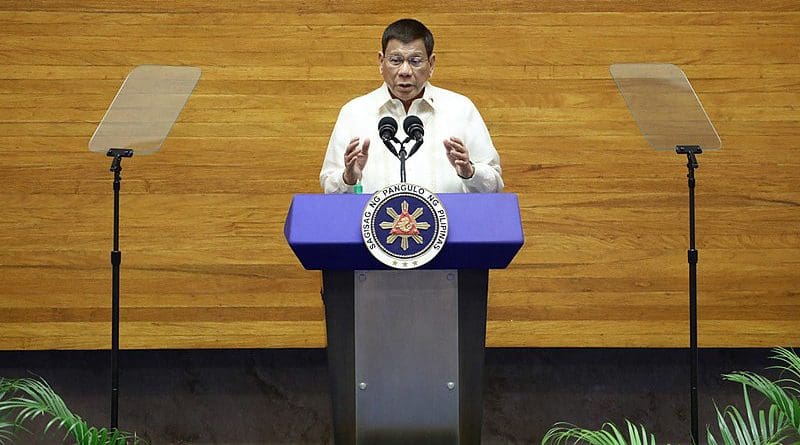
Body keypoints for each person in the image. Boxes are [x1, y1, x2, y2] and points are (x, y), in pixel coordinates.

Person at [319, 18, 503, 194]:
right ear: (381, 62)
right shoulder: (354, 113)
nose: (405, 71)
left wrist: (469, 172)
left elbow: (494, 185)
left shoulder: (460, 109)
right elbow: (329, 187)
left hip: (450, 225)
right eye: (396, 60)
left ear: (431, 64)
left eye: (415, 61)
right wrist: (348, 178)